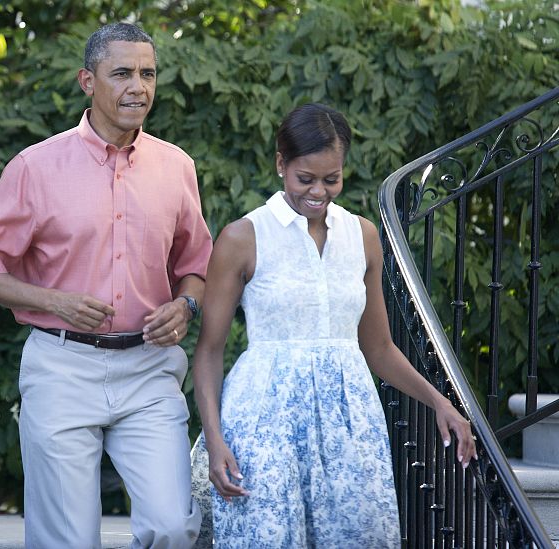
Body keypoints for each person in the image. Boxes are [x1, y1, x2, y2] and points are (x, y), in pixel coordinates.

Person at [0, 22, 211, 548]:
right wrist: (55, 302)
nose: (137, 87)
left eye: (147, 74)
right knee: (66, 541)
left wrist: (186, 304)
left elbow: (197, 264)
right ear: (86, 81)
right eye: (121, 73)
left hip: (148, 369)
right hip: (61, 367)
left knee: (172, 527)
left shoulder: (176, 167)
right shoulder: (34, 167)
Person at [191, 103, 477, 547]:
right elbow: (209, 351)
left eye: (332, 179)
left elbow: (378, 347)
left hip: (350, 423)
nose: (319, 192)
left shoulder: (362, 235)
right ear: (281, 164)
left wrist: (438, 401)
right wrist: (214, 441)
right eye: (305, 178)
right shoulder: (244, 237)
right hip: (265, 422)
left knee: (360, 536)